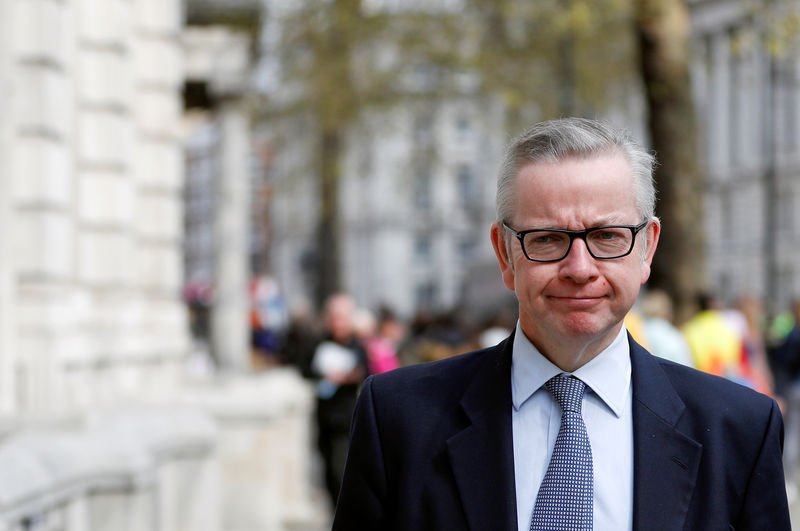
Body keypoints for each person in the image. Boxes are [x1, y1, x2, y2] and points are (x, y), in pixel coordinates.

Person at [333, 118, 789, 530]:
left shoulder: (739, 429)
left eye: (607, 236)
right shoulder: (399, 418)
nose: (579, 267)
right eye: (547, 239)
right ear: (504, 253)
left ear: (647, 248)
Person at [300, 293, 369, 508]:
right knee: (329, 468)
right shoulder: (317, 343)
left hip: (348, 416)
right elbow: (304, 369)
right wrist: (325, 377)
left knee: (343, 469)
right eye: (335, 318)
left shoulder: (358, 346)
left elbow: (367, 373)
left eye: (343, 318)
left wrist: (351, 377)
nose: (339, 323)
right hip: (325, 415)